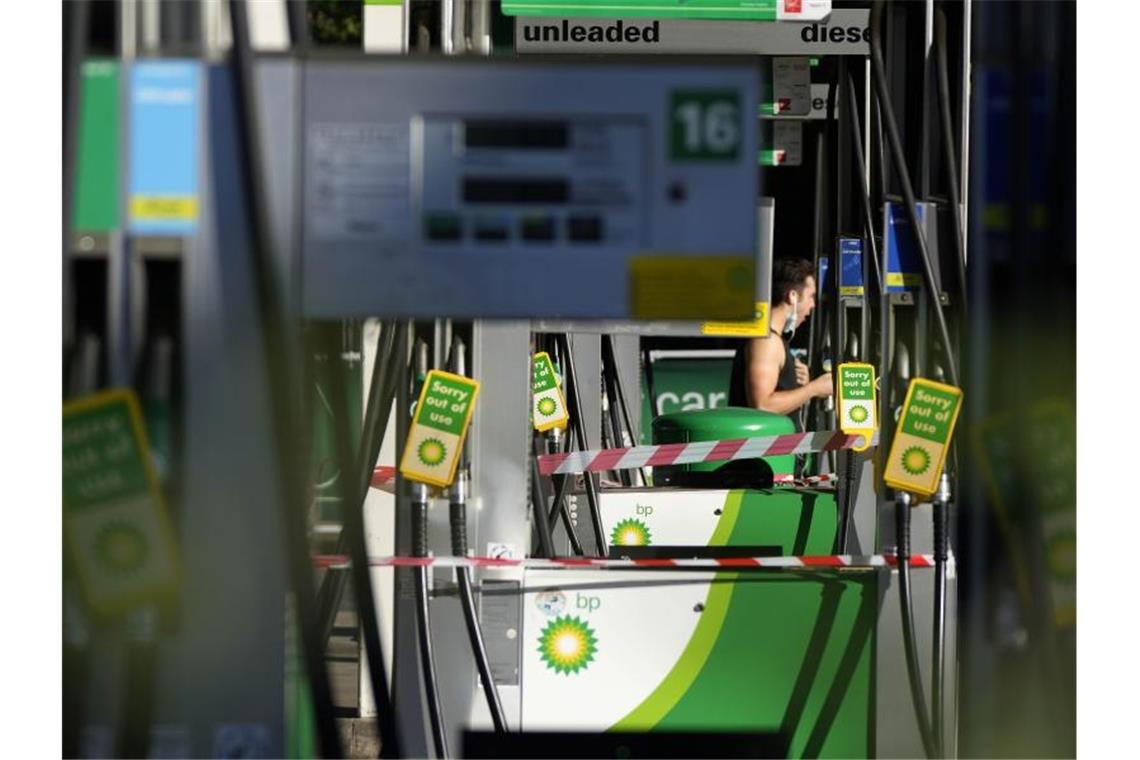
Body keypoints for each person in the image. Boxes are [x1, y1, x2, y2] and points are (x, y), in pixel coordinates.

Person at [728, 257, 833, 431]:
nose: (813, 305)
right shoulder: (766, 341)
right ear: (792, 296)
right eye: (811, 296)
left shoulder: (774, 340)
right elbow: (762, 405)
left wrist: (800, 385)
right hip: (766, 456)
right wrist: (814, 389)